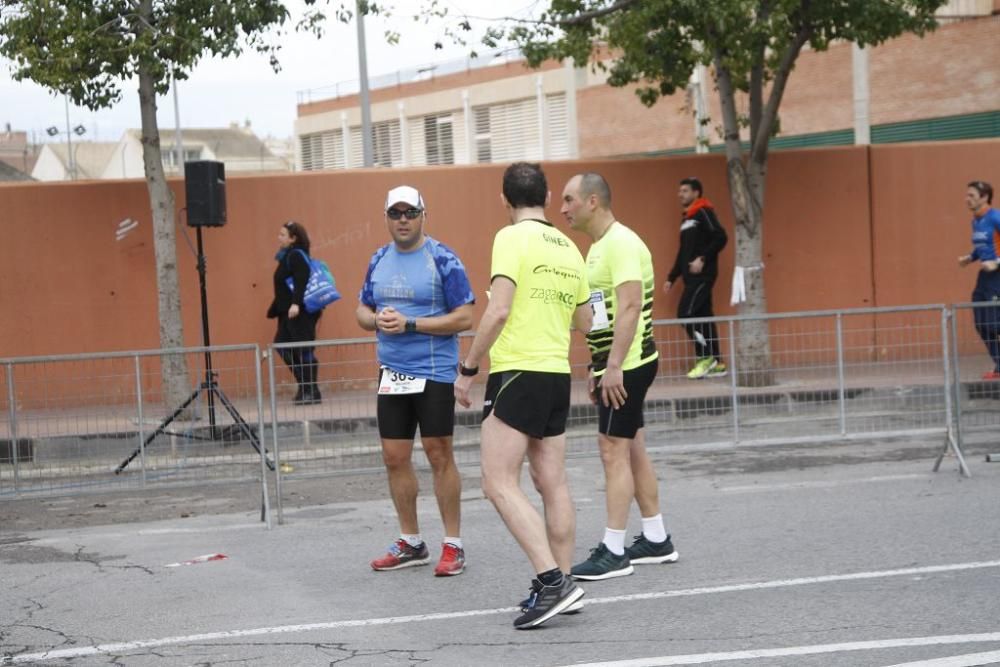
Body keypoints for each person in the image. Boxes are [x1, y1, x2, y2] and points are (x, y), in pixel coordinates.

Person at [454, 162, 592, 629]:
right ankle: (564, 581)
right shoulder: (571, 247)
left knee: (496, 482)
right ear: (549, 197)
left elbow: (498, 310)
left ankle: (554, 582)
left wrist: (468, 368)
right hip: (556, 373)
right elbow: (588, 322)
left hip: (518, 371)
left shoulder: (510, 238)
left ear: (505, 199)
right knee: (552, 483)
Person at [559, 173, 679, 581]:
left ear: (593, 201)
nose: (563, 208)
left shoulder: (622, 243)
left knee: (612, 449)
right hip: (616, 364)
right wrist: (598, 367)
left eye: (569, 199)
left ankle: (613, 550)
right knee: (631, 448)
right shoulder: (597, 249)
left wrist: (612, 368)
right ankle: (656, 537)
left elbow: (629, 308)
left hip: (629, 366)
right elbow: (602, 314)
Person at [357, 185, 475, 576]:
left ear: (424, 214)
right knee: (394, 458)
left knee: (439, 453)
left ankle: (453, 544)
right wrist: (376, 320)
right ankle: (411, 541)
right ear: (387, 218)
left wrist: (410, 323)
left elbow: (465, 317)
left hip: (435, 370)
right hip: (392, 373)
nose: (403, 220)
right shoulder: (378, 259)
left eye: (410, 212)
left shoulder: (442, 258)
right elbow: (361, 309)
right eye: (396, 213)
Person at [664, 177, 728, 380]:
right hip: (690, 279)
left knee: (686, 314)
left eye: (684, 191)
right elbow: (683, 251)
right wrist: (672, 277)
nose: (680, 194)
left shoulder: (703, 212)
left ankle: (705, 357)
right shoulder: (687, 219)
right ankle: (718, 363)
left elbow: (720, 236)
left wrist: (703, 258)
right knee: (704, 317)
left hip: (703, 276)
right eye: (680, 190)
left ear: (696, 193)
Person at [267, 220, 322, 405]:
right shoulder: (286, 256)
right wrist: (275, 308)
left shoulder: (296, 255)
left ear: (293, 239)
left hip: (300, 312)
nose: (278, 238)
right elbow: (284, 286)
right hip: (287, 312)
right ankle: (306, 386)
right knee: (283, 346)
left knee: (303, 349)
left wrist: (296, 304)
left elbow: (301, 280)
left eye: (282, 235)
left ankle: (311, 390)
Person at [958, 180, 1000, 380]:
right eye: (967, 195)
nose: (967, 199)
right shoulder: (976, 220)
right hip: (985, 277)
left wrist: (997, 263)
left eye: (972, 196)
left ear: (984, 198)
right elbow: (984, 245)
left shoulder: (995, 217)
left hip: (998, 276)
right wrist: (971, 258)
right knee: (982, 323)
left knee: (994, 324)